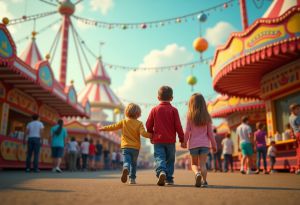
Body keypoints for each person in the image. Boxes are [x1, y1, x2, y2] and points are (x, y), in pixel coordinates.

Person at [99, 103, 151, 184]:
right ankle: (132, 179)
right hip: (135, 148)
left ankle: (126, 167)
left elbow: (113, 127)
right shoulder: (139, 123)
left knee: (127, 160)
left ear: (127, 112)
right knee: (133, 164)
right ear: (138, 114)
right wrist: (152, 136)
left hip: (126, 146)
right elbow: (143, 133)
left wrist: (103, 128)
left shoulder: (123, 122)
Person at [146, 86, 185, 186]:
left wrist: (151, 135)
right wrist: (182, 139)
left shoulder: (154, 109)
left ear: (158, 98)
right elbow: (178, 126)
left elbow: (148, 124)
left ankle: (161, 171)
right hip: (171, 140)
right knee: (170, 159)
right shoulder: (174, 110)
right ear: (172, 98)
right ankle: (169, 178)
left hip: (158, 140)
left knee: (160, 157)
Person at [183, 93, 217, 187]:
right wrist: (214, 145)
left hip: (193, 144)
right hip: (205, 144)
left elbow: (187, 131)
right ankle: (204, 181)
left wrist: (184, 141)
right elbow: (210, 134)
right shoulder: (207, 116)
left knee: (194, 164)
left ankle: (197, 174)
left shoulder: (190, 115)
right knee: (203, 164)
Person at [289, 103, 300, 174]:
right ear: (293, 110)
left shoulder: (290, 117)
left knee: (298, 151)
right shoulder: (297, 117)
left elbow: (291, 128)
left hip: (297, 135)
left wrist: (292, 135)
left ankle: (298, 167)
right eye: (297, 109)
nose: (299, 110)